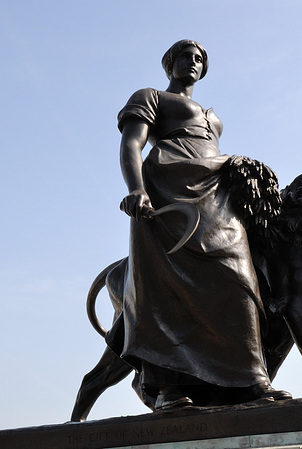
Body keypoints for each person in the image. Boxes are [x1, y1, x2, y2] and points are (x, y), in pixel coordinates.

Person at [109, 39, 290, 410]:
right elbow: (131, 145)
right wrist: (137, 189)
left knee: (241, 279)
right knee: (164, 290)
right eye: (185, 57)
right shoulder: (152, 97)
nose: (192, 63)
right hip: (167, 196)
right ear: (169, 63)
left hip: (215, 200)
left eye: (199, 60)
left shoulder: (215, 118)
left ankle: (251, 378)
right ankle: (167, 387)